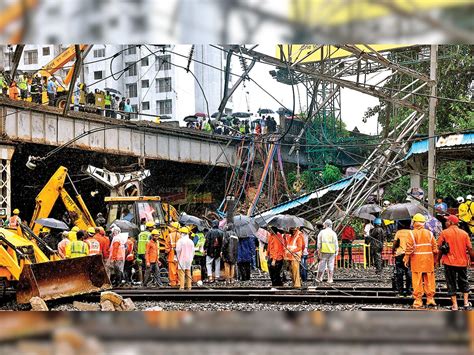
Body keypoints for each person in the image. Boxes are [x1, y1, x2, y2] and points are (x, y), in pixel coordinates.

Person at [437, 215, 472, 310]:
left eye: (447, 221)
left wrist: (437, 260)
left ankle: (455, 305)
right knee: (464, 281)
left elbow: (440, 248)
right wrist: (472, 260)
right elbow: (470, 248)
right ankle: (465, 303)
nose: (445, 222)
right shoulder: (464, 233)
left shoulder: (444, 233)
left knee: (451, 283)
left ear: (451, 222)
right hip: (462, 262)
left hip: (449, 262)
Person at [403, 213, 438, 308]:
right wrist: (435, 260)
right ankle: (430, 299)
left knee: (417, 280)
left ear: (414, 222)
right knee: (429, 279)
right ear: (423, 223)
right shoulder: (430, 233)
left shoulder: (411, 233)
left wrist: (406, 258)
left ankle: (418, 301)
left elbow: (409, 248)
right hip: (428, 260)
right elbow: (435, 249)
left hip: (416, 260)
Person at [392, 220, 412, 297]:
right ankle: (409, 291)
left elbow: (394, 244)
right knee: (409, 272)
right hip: (409, 254)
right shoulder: (411, 232)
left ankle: (400, 291)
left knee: (399, 272)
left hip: (399, 254)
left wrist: (393, 251)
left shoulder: (399, 232)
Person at [166, 222, 181, 287]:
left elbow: (167, 247)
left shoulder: (170, 235)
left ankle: (173, 283)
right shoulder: (180, 235)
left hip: (171, 255)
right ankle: (179, 282)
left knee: (172, 270)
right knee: (179, 269)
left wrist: (166, 252)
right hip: (179, 255)